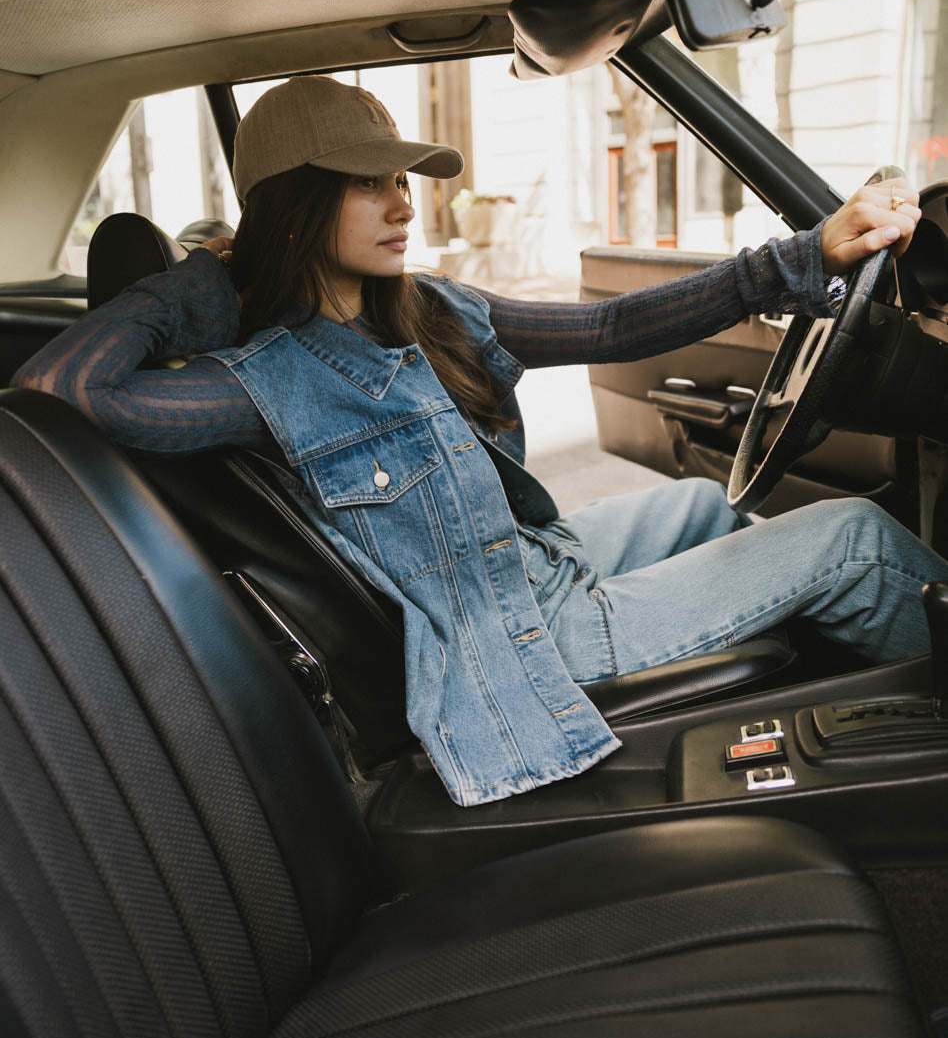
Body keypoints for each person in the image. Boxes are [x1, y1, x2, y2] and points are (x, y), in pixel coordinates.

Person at [14, 76, 948, 806]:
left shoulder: (428, 309)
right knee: (853, 543)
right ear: (292, 205)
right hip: (518, 636)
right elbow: (61, 387)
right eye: (367, 184)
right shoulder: (265, 383)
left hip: (529, 564)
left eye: (400, 180)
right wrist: (206, 279)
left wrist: (799, 260)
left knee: (711, 500)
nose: (403, 205)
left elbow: (611, 331)